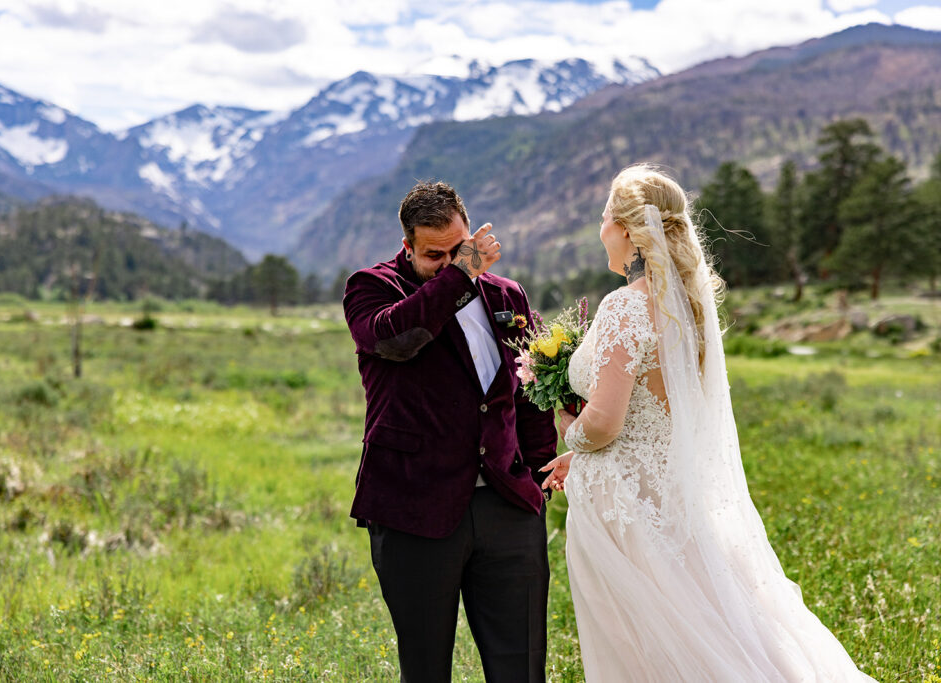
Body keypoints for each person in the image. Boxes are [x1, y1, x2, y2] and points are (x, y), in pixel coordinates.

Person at [540, 164, 875, 681]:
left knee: (642, 644)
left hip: (625, 504)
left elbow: (604, 424)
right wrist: (578, 454)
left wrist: (567, 424)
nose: (600, 228)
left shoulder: (624, 306)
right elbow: (657, 416)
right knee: (703, 621)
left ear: (627, 230)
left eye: (604, 217)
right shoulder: (686, 308)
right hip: (669, 494)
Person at [342, 181, 557, 683]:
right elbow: (398, 340)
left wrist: (538, 476)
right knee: (425, 668)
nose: (447, 263)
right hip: (413, 506)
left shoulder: (507, 295)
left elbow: (529, 388)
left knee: (521, 667)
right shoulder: (372, 288)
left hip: (507, 504)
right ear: (407, 247)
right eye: (432, 256)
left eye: (456, 250)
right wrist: (459, 274)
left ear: (471, 231)